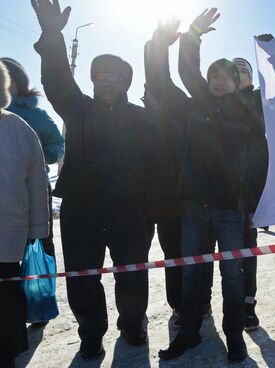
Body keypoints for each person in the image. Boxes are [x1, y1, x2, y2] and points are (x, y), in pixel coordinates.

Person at [31, 0, 157, 359]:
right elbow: (56, 79)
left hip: (129, 211)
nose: (108, 82)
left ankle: (133, 324)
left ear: (125, 84)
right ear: (92, 81)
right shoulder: (78, 107)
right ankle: (91, 332)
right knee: (83, 276)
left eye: (116, 78)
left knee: (132, 274)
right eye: (101, 76)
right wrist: (52, 36)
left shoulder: (140, 118)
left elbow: (155, 160)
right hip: (81, 208)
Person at [145, 14, 255, 362]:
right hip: (193, 208)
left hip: (230, 209)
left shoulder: (250, 112)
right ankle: (189, 332)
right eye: (215, 76)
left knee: (232, 275)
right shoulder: (193, 107)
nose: (220, 81)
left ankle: (234, 336)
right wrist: (185, 38)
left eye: (228, 77)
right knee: (191, 271)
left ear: (239, 83)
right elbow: (165, 79)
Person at [1, 57, 64, 329]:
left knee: (38, 244)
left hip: (34, 190)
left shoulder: (34, 115)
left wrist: (39, 160)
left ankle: (38, 303)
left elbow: (57, 145)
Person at [0, 59, 49, 368]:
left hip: (7, 231)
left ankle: (8, 353)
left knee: (6, 295)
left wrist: (38, 231)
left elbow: (36, 182)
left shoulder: (19, 128)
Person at [232, 56, 269, 332]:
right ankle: (209, 306)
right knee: (216, 256)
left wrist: (273, 54)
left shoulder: (260, 99)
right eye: (234, 71)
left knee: (247, 250)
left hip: (249, 191)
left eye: (243, 70)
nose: (239, 74)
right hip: (219, 190)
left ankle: (247, 305)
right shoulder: (217, 102)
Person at [141, 86, 184, 319]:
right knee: (136, 260)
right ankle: (136, 313)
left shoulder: (174, 125)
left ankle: (177, 304)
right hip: (142, 203)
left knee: (174, 257)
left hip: (171, 204)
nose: (148, 102)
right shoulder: (136, 122)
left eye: (151, 97)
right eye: (145, 98)